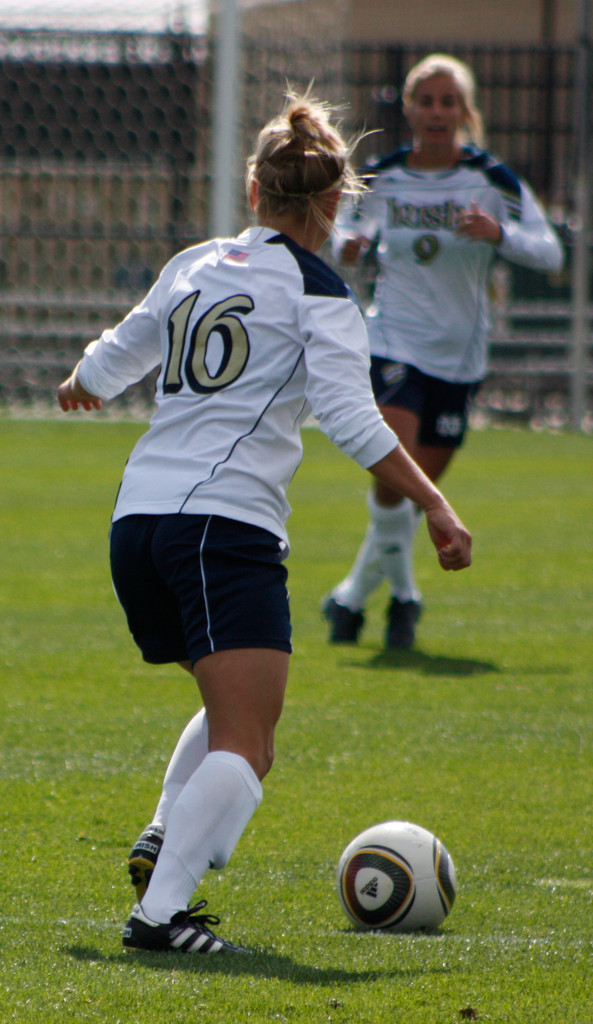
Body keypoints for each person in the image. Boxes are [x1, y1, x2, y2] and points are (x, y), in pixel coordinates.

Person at [57, 89, 472, 956]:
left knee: (227, 700)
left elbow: (115, 354)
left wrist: (83, 379)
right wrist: (433, 502)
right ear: (331, 205)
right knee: (250, 741)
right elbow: (355, 421)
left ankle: (165, 834)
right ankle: (160, 915)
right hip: (222, 526)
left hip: (137, 522)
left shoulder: (194, 262)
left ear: (253, 194)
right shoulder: (318, 291)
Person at [323, 53, 563, 650]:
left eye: (447, 102)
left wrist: (500, 234)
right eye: (425, 101)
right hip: (394, 340)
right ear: (408, 108)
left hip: (460, 358)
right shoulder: (384, 174)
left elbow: (551, 252)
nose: (436, 112)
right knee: (392, 480)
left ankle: (351, 598)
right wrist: (347, 246)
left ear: (463, 111)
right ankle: (404, 601)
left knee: (414, 495)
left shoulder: (491, 178)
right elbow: (339, 230)